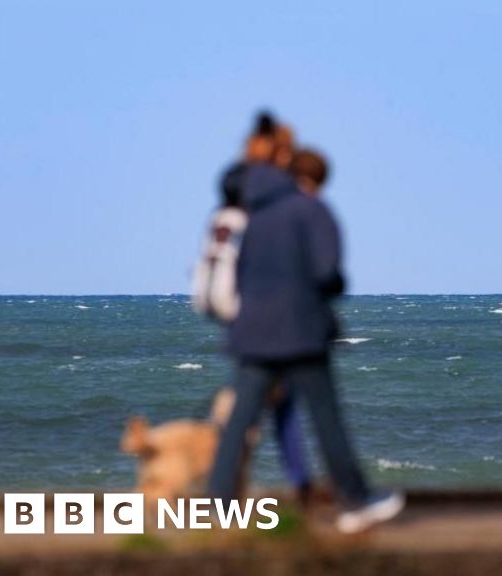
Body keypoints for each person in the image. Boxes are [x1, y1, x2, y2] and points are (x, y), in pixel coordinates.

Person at [208, 129, 403, 534]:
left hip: (253, 331)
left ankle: (217, 507)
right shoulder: (312, 210)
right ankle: (356, 501)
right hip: (299, 330)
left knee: (239, 422)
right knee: (325, 416)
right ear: (318, 179)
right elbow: (326, 273)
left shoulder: (255, 212)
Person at [195, 112, 313, 506]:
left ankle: (293, 486)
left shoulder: (227, 204)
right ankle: (224, 495)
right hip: (265, 323)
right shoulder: (262, 204)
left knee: (276, 406)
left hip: (244, 321)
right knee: (256, 409)